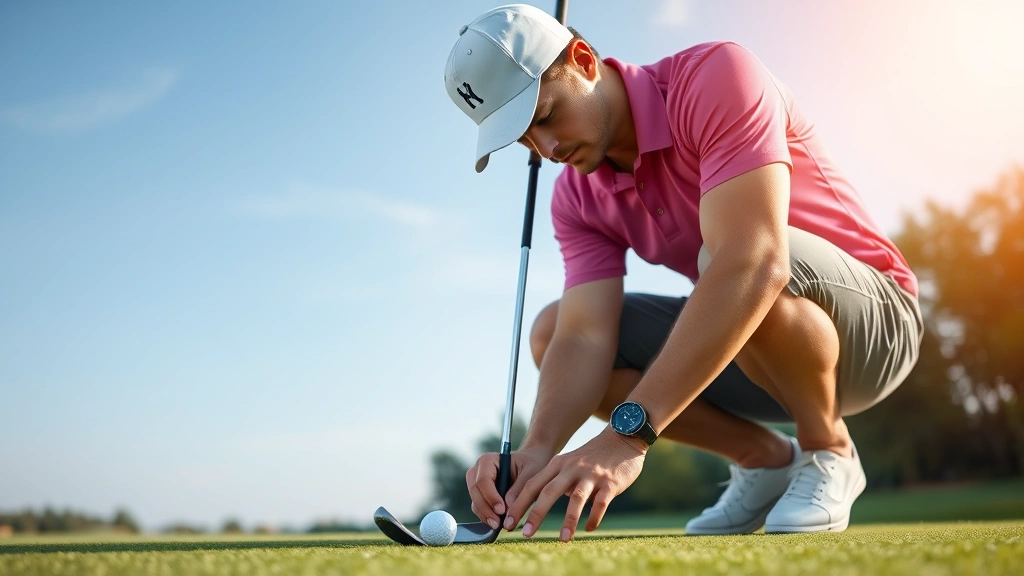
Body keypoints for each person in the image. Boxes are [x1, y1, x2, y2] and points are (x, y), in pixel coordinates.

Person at [444, 4, 922, 541]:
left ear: (583, 60)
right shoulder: (576, 196)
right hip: (757, 356)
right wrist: (537, 450)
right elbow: (584, 336)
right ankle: (765, 460)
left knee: (729, 260)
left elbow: (755, 262)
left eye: (547, 115)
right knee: (553, 330)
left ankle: (828, 447)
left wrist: (627, 437)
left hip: (876, 327)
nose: (547, 149)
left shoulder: (715, 76)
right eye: (524, 139)